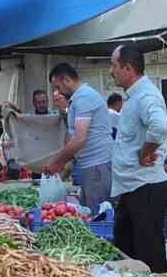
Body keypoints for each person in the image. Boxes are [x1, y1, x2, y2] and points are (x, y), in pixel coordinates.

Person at [108, 42, 167, 274]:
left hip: (146, 187)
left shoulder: (146, 95)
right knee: (127, 248)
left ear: (128, 68)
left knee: (149, 257)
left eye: (113, 65)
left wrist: (146, 151)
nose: (110, 70)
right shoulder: (134, 97)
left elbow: (160, 126)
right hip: (135, 187)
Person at [41, 63, 113, 210]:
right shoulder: (79, 98)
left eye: (58, 87)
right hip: (91, 166)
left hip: (96, 166)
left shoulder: (84, 98)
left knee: (97, 217)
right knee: (90, 213)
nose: (57, 92)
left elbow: (79, 138)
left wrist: (58, 162)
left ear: (66, 80)